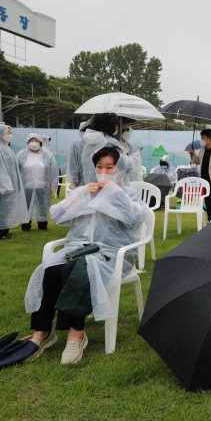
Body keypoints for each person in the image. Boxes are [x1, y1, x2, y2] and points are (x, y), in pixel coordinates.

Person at [23, 145, 146, 364]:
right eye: (99, 166)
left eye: (110, 167)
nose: (104, 172)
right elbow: (59, 217)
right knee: (50, 269)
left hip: (112, 253)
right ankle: (42, 331)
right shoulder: (89, 192)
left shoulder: (128, 194)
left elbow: (133, 216)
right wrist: (80, 194)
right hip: (79, 248)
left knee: (77, 269)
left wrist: (114, 192)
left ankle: (76, 333)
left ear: (120, 169)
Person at [81, 113, 139, 186]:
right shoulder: (110, 142)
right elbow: (125, 166)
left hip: (92, 187)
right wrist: (135, 156)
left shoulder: (88, 144)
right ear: (111, 125)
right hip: (109, 187)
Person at [16, 134, 59, 231]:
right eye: (31, 140)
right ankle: (26, 226)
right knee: (26, 206)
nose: (34, 143)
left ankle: (42, 225)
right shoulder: (21, 154)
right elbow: (16, 169)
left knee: (43, 206)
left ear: (40, 142)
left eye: (36, 140)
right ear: (27, 142)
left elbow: (54, 169)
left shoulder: (47, 154)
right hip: (26, 186)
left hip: (42, 186)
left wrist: (54, 182)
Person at [0, 125, 29, 239]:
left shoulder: (7, 148)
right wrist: (4, 184)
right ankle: (1, 233)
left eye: (10, 132)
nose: (10, 135)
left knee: (7, 209)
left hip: (11, 184)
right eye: (7, 132)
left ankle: (4, 231)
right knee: (2, 209)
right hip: (4, 186)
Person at [67, 119, 90, 188]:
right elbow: (72, 161)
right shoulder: (76, 143)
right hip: (80, 175)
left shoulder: (94, 142)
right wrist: (74, 177)